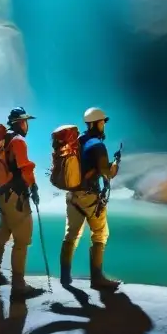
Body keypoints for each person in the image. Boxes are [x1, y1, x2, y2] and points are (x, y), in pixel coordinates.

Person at [60, 107, 121, 290]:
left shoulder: (77, 141)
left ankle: (65, 278)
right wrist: (116, 164)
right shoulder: (97, 145)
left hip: (72, 196)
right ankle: (97, 279)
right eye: (102, 122)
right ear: (96, 123)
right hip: (89, 197)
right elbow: (107, 174)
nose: (104, 125)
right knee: (101, 234)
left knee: (71, 236)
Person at [0, 106, 43, 299]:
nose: (27, 125)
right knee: (22, 240)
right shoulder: (18, 141)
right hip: (14, 197)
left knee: (3, 233)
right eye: (25, 121)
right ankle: (18, 286)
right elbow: (24, 168)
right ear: (20, 123)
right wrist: (33, 188)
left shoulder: (3, 141)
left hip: (1, 196)